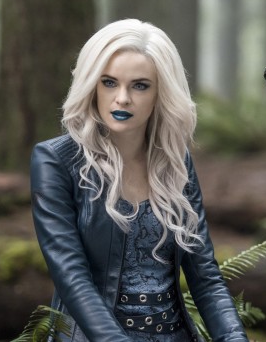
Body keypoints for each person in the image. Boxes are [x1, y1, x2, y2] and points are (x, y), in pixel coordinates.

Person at [30, 19, 249, 341]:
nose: (122, 98)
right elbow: (72, 279)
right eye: (109, 82)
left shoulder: (174, 160)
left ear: (162, 92)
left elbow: (205, 276)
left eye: (140, 86)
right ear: (91, 85)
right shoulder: (56, 161)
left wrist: (234, 338)